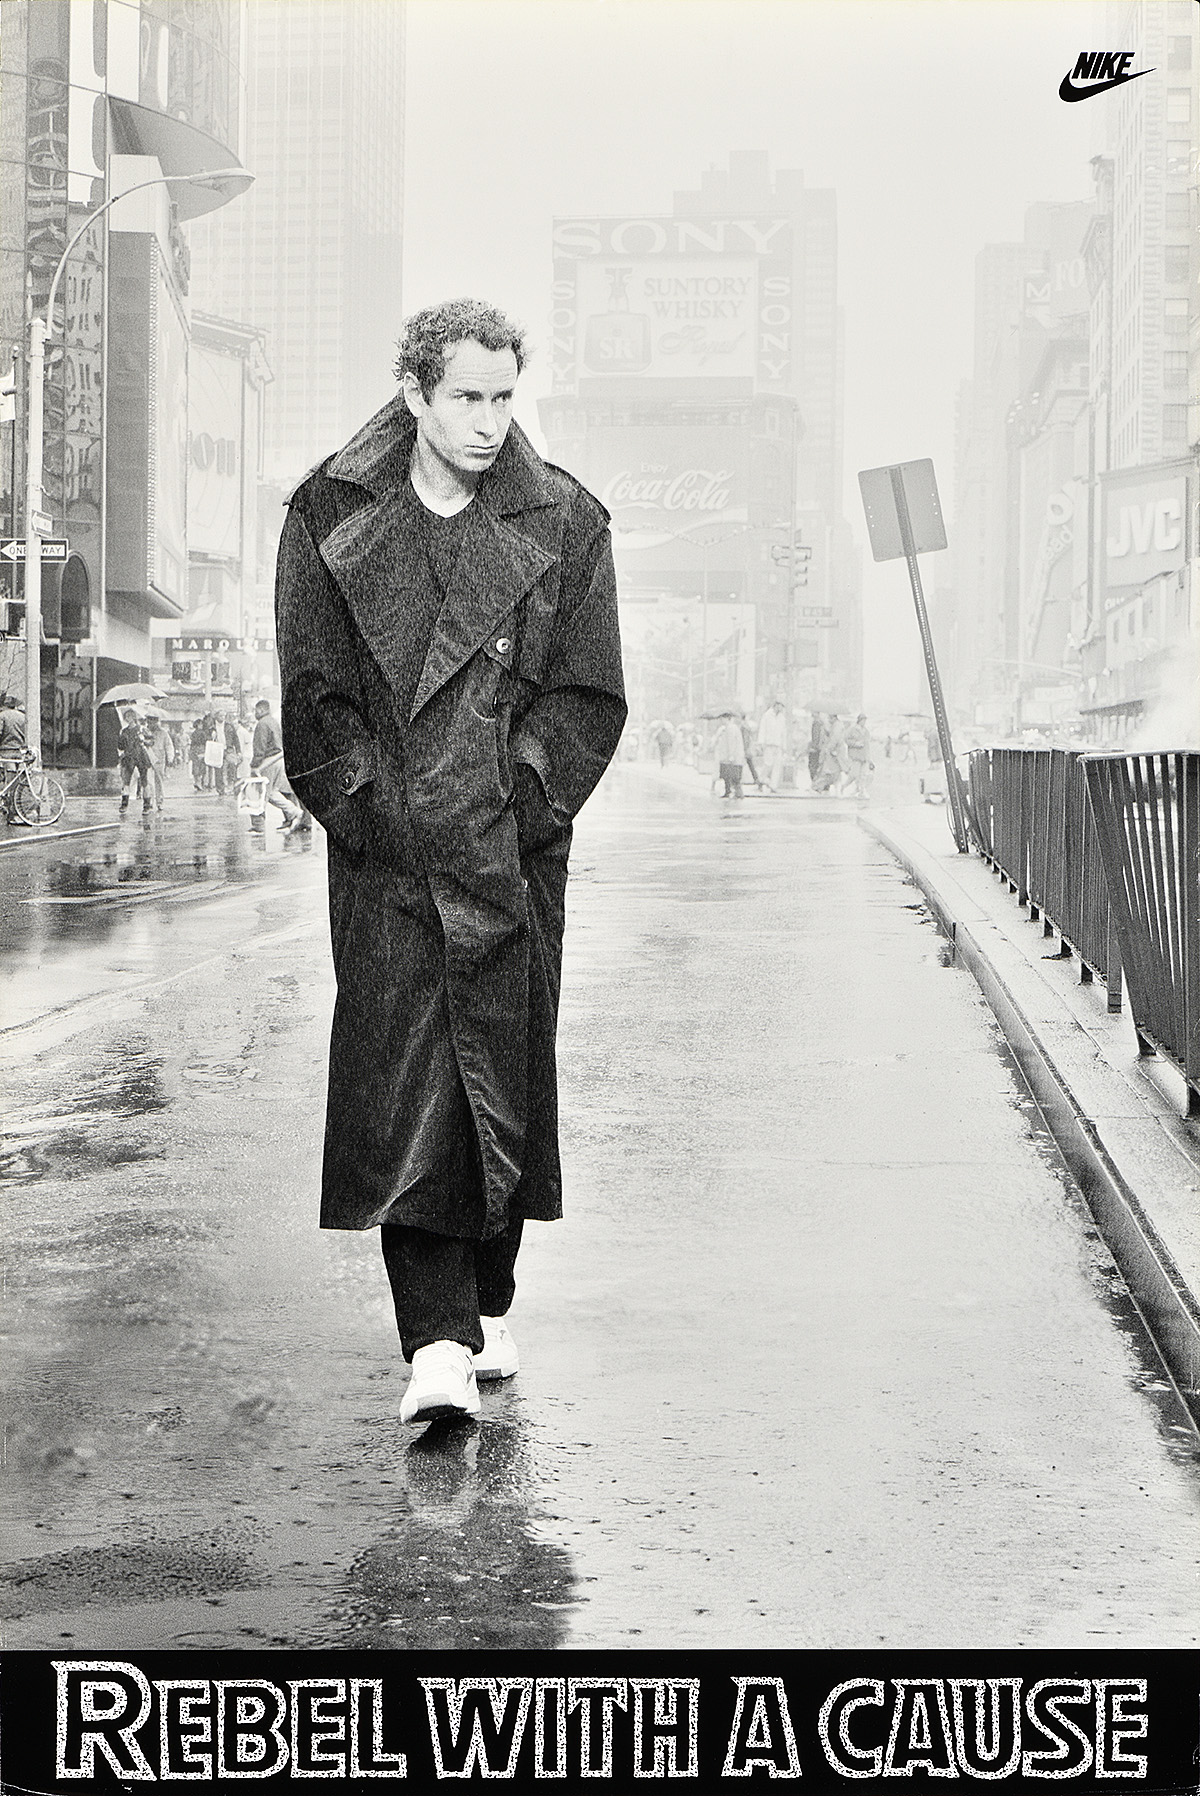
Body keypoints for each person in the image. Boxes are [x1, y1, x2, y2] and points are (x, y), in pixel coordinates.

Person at [276, 297, 625, 1428]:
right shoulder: (328, 513)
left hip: (512, 855)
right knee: (408, 1087)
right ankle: (432, 1336)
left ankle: (485, 1294)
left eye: (504, 397)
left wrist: (518, 803)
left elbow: (587, 696)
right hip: (391, 861)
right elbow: (316, 703)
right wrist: (379, 814)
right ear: (416, 393)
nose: (488, 422)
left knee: (504, 1079)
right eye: (466, 397)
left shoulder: (566, 522)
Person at [249, 698, 300, 832]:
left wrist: (255, 765)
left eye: (256, 710)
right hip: (278, 760)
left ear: (261, 709)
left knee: (260, 793)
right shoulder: (273, 722)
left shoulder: (262, 724)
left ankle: (258, 825)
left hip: (267, 761)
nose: (255, 713)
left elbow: (260, 747)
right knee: (271, 792)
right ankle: (293, 812)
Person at [117, 708, 153, 814]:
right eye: (126, 716)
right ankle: (124, 804)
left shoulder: (142, 729)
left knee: (144, 781)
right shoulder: (124, 731)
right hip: (129, 757)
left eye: (130, 716)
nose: (128, 718)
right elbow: (120, 746)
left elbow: (151, 741)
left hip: (141, 756)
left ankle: (147, 805)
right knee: (126, 781)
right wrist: (122, 739)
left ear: (134, 717)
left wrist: (143, 740)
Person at [0, 693, 28, 821]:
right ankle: (17, 809)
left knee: (9, 781)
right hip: (19, 752)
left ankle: (11, 812)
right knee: (17, 781)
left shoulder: (2, 716)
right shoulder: (23, 717)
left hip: (6, 752)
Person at [755, 699, 787, 792]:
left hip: (778, 744)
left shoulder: (782, 718)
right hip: (769, 744)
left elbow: (783, 733)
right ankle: (761, 780)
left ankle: (773, 786)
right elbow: (762, 729)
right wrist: (760, 743)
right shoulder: (767, 715)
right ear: (776, 705)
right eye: (780, 705)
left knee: (777, 765)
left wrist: (784, 746)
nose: (781, 708)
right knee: (768, 764)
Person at [712, 711, 745, 798]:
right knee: (728, 775)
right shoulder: (728, 728)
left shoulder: (731, 728)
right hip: (729, 757)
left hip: (732, 757)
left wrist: (731, 755)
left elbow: (731, 743)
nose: (721, 720)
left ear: (727, 718)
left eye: (722, 718)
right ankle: (729, 791)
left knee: (733, 776)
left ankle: (737, 793)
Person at [142, 715, 168, 810]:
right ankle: (150, 800)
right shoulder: (143, 732)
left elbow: (168, 745)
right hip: (146, 758)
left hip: (159, 759)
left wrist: (170, 757)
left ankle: (159, 800)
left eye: (153, 721)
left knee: (159, 780)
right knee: (148, 781)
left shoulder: (163, 733)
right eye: (149, 721)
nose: (151, 723)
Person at [845, 712, 873, 799]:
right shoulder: (852, 729)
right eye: (862, 720)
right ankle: (845, 787)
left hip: (864, 757)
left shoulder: (866, 731)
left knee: (863, 775)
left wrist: (869, 758)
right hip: (855, 756)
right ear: (859, 720)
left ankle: (861, 791)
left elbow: (867, 745)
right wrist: (855, 743)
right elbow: (846, 739)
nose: (864, 722)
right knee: (854, 774)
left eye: (865, 720)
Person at [189, 718, 208, 790]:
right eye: (201, 724)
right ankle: (201, 783)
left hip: (194, 750)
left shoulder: (193, 733)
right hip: (201, 750)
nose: (202, 725)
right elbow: (205, 741)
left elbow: (192, 743)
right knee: (202, 767)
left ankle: (196, 782)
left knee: (195, 767)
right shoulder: (202, 733)